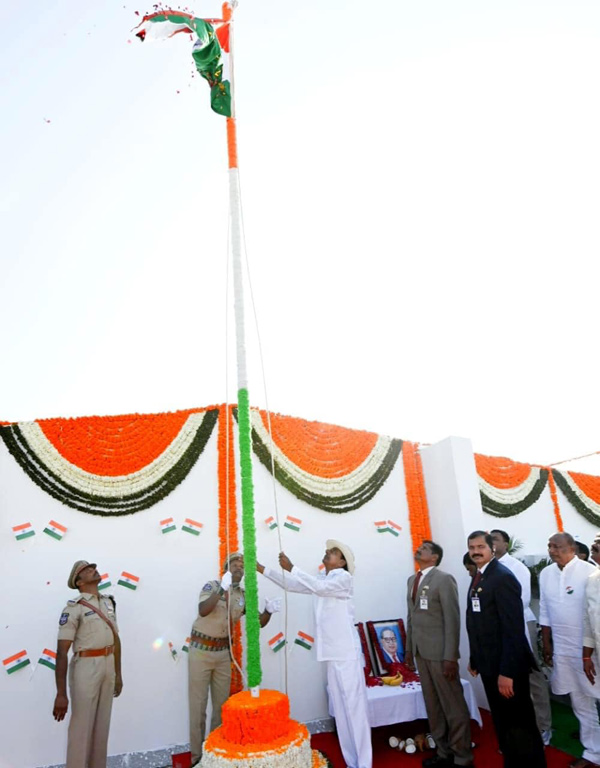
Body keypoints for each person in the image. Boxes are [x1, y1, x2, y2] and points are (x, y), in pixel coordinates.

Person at [257, 540, 372, 768]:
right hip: (331, 654)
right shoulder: (324, 579)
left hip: (346, 654)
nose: (327, 552)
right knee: (341, 711)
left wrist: (292, 567)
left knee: (355, 710)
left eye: (333, 552)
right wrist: (262, 569)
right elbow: (293, 585)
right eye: (328, 550)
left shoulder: (343, 579)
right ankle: (352, 762)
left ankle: (365, 763)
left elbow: (316, 587)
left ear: (342, 562)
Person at [188, 552, 278, 766]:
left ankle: (214, 754)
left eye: (241, 564)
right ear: (226, 568)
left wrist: (269, 611)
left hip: (222, 654)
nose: (239, 566)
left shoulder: (243, 595)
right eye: (234, 563)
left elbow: (258, 623)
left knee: (221, 707)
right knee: (197, 706)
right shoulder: (212, 586)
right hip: (201, 651)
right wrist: (222, 589)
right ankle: (197, 758)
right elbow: (203, 610)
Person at [466, 531, 546, 768]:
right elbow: (478, 621)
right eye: (472, 547)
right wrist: (475, 657)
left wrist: (508, 673)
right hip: (490, 664)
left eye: (481, 546)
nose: (476, 551)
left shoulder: (502, 577)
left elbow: (513, 629)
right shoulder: (481, 575)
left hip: (507, 668)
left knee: (520, 725)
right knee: (504, 723)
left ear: (493, 548)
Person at [406, 540, 473, 768]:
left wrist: (450, 657)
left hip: (440, 655)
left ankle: (462, 758)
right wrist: (408, 650)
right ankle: (444, 754)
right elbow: (411, 618)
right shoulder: (412, 580)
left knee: (453, 706)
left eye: (424, 549)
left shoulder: (444, 579)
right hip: (420, 654)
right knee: (433, 706)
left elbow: (452, 620)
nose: (419, 550)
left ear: (434, 557)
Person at [53, 560, 123, 768]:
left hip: (108, 665)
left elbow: (115, 639)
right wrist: (61, 693)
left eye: (93, 567)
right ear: (79, 582)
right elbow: (61, 652)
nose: (93, 570)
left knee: (102, 727)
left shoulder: (108, 602)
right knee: (81, 728)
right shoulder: (74, 608)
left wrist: (118, 674)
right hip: (86, 666)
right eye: (86, 570)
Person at [540, 532, 599, 768]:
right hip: (564, 648)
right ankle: (593, 752)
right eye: (549, 546)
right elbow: (544, 609)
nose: (552, 550)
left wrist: (589, 653)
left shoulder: (589, 572)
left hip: (591, 649)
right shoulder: (546, 574)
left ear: (572, 548)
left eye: (558, 546)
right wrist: (546, 643)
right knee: (580, 702)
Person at [490, 529, 552, 744]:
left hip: (520, 623)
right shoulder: (486, 569)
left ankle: (543, 726)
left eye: (495, 540)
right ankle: (519, 731)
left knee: (532, 675)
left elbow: (521, 600)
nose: (491, 544)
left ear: (506, 544)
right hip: (498, 629)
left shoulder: (517, 568)